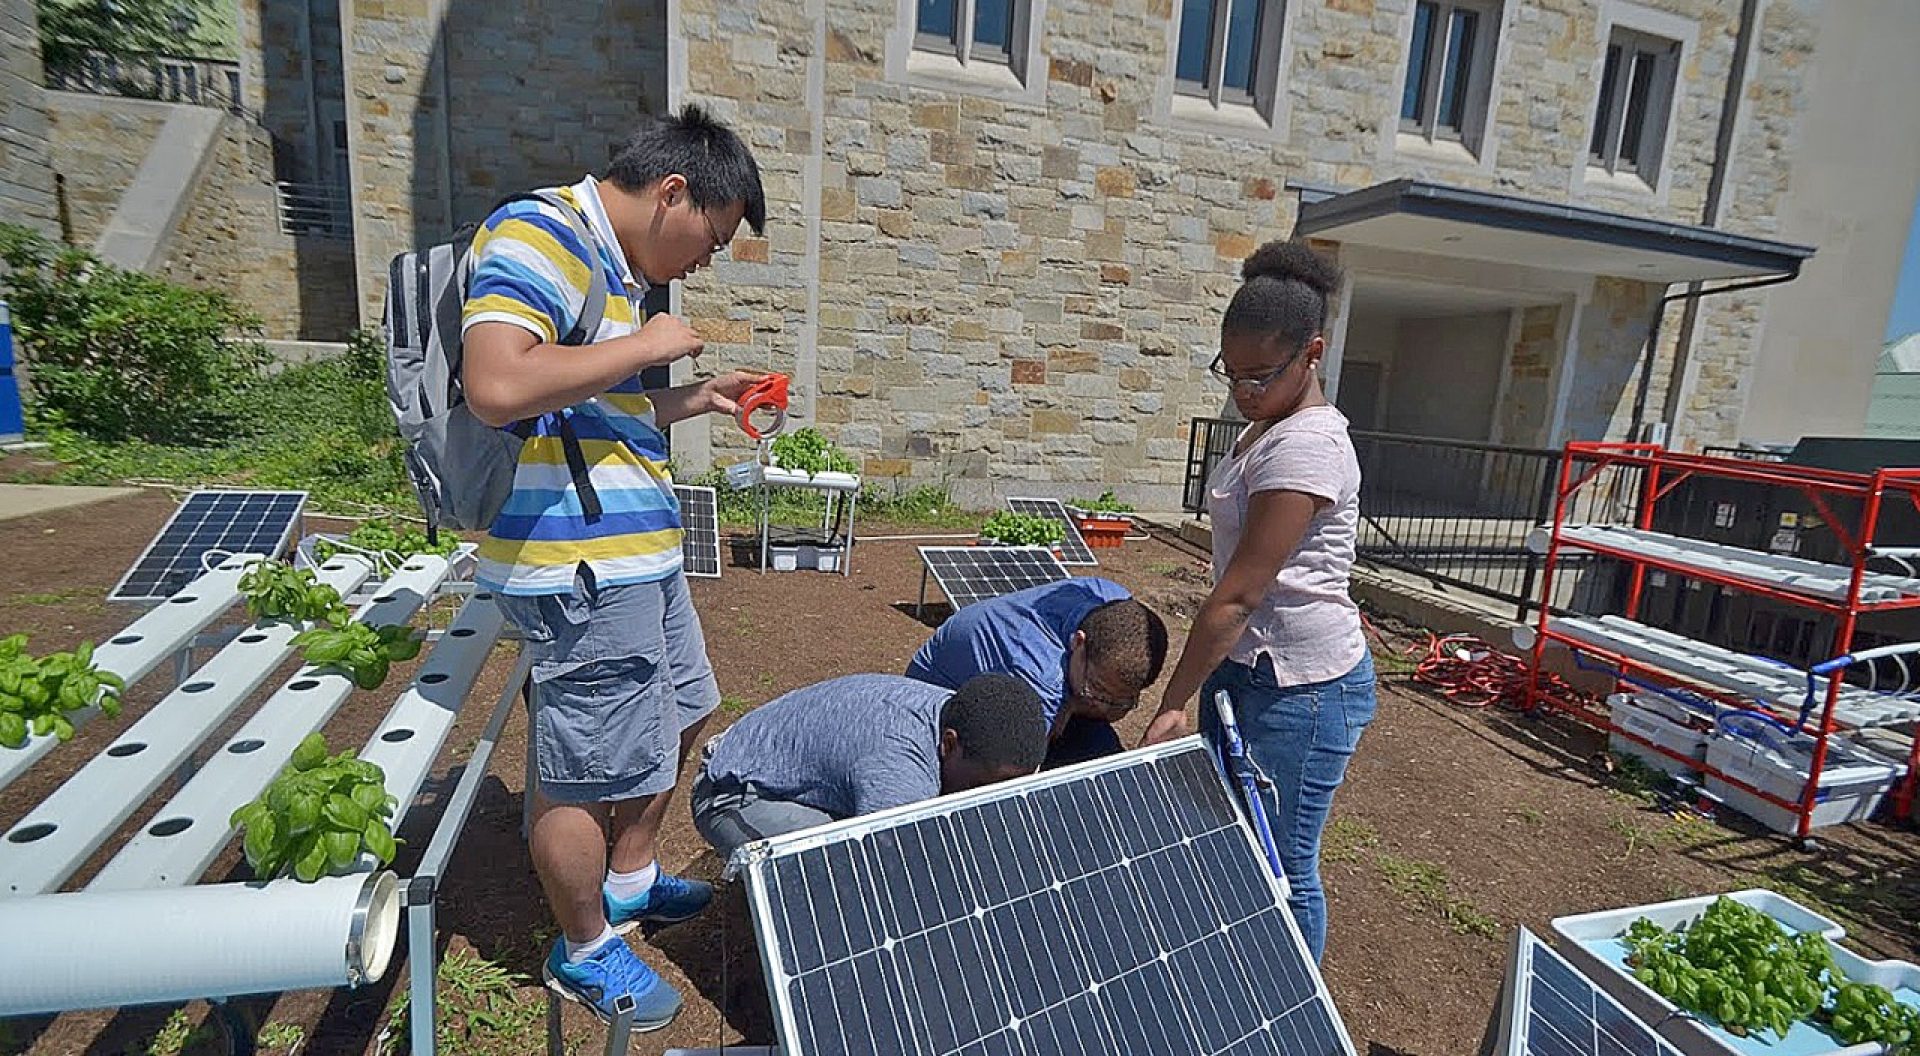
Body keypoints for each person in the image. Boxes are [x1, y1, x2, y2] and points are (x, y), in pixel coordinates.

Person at [458, 105, 766, 1032]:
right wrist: (644, 346)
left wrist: (691, 396)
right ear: (672, 193)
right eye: (707, 239)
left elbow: (590, 410)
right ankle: (584, 947)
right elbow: (498, 385)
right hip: (582, 570)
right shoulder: (538, 232)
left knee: (684, 706)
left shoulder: (611, 268)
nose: (703, 261)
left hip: (638, 559)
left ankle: (628, 878)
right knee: (582, 772)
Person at [1141, 240, 1375, 964]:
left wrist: (1173, 704)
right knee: (1236, 842)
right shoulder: (1268, 427)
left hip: (1301, 691)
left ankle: (1290, 1010)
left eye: (1259, 375)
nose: (1243, 390)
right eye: (1231, 372)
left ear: (1313, 353)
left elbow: (1239, 595)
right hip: (1254, 672)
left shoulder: (1304, 448)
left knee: (1284, 863)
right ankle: (1239, 979)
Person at [690, 673, 1048, 858]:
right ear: (949, 744)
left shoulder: (963, 713)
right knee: (833, 874)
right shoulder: (899, 773)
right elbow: (895, 865)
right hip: (735, 792)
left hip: (790, 764)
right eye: (992, 783)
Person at [905, 578, 1168, 767]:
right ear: (1078, 642)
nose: (1105, 707)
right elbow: (1019, 774)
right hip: (933, 707)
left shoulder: (1110, 598)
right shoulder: (1039, 678)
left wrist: (1077, 703)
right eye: (1097, 690)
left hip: (1024, 680)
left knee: (1102, 754)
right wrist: (1070, 704)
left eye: (1123, 700)